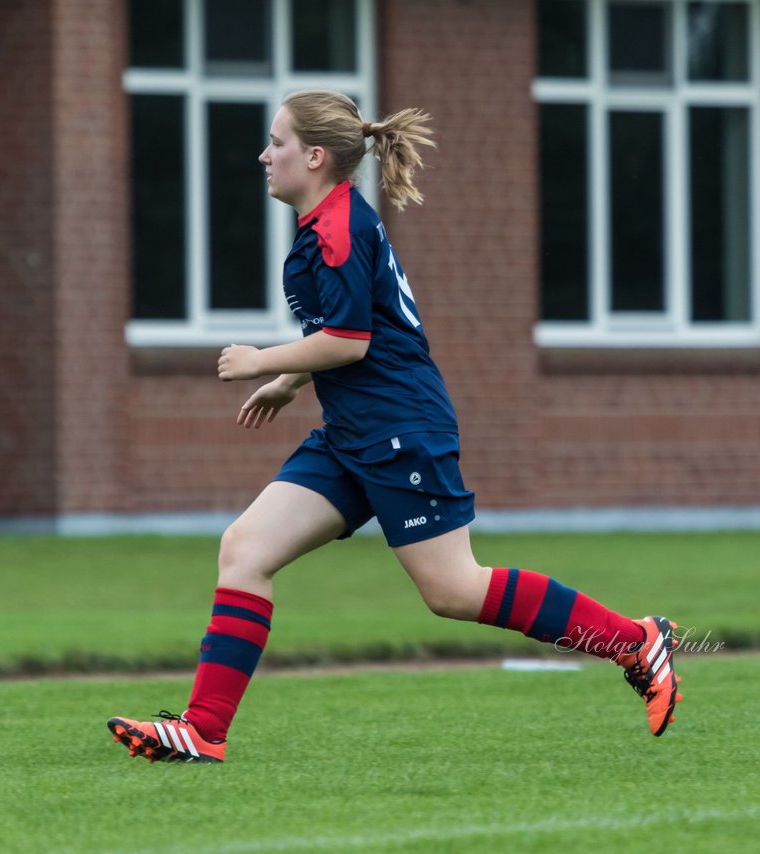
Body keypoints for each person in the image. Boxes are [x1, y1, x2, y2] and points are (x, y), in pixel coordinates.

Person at [107, 90, 682, 764]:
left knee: (454, 591)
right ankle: (203, 730)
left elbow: (349, 342)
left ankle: (636, 642)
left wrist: (263, 358)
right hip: (353, 431)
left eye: (278, 142)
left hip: (400, 428)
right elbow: (348, 331)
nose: (265, 155)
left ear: (314, 156)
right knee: (245, 549)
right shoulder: (325, 222)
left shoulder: (338, 228)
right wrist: (292, 382)